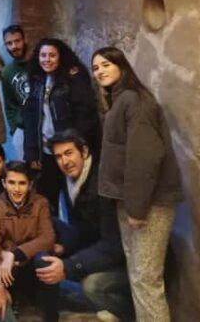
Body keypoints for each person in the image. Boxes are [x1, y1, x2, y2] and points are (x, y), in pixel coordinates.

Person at [92, 47, 183, 322]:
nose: (100, 71)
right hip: (131, 201)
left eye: (106, 64)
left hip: (149, 204)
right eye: (95, 68)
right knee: (137, 274)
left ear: (122, 66)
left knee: (146, 279)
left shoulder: (135, 101)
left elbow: (144, 158)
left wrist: (137, 208)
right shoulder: (120, 102)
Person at [35, 130, 133, 321]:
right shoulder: (72, 180)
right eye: (58, 156)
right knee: (49, 225)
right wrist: (64, 246)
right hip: (99, 244)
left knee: (92, 286)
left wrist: (70, 265)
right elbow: (84, 229)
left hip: (126, 258)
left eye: (69, 153)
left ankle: (129, 313)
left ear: (84, 151)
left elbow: (114, 245)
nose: (64, 161)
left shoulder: (102, 187)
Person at [0, 161, 57, 322]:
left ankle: (49, 312)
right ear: (4, 183)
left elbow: (47, 238)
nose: (16, 189)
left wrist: (15, 255)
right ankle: (6, 299)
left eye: (22, 183)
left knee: (45, 261)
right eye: (11, 183)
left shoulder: (41, 203)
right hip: (2, 263)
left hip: (28, 261)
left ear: (30, 184)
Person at [22, 37, 99, 215]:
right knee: (47, 201)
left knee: (75, 200)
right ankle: (52, 238)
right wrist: (32, 151)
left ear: (60, 57)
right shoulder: (37, 79)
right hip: (46, 152)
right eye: (43, 55)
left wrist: (76, 144)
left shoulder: (73, 77)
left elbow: (85, 113)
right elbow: (31, 117)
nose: (47, 60)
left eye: (52, 55)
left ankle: (78, 239)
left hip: (68, 150)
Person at [0, 24, 31, 159]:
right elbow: (10, 105)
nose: (14, 46)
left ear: (25, 40)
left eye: (17, 41)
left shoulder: (40, 63)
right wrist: (15, 130)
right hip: (23, 130)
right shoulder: (7, 72)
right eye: (9, 43)